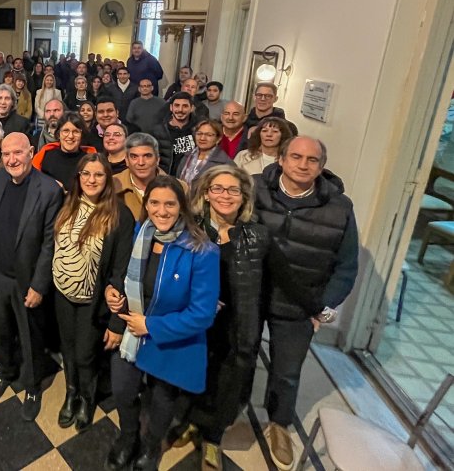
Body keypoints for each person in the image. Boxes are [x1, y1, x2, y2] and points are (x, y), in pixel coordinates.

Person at [254, 136, 358, 469]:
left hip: (300, 303)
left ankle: (279, 425)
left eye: (312, 160)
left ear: (322, 166)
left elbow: (347, 265)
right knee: (233, 360)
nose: (303, 164)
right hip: (251, 295)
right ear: (281, 159)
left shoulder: (340, 208)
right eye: (295, 157)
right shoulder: (254, 189)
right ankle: (219, 417)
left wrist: (323, 306)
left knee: (286, 372)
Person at [104, 175, 219, 470]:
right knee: (123, 390)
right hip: (133, 331)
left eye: (170, 204)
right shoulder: (142, 233)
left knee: (162, 400)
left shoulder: (202, 251)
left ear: (182, 207)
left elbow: (203, 313)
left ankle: (151, 445)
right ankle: (129, 437)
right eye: (154, 203)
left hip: (168, 338)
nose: (162, 210)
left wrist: (152, 327)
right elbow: (127, 276)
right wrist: (114, 294)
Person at [175, 165, 270, 470]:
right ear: (205, 193)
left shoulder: (256, 234)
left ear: (244, 197)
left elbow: (281, 277)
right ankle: (190, 422)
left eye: (233, 190)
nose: (225, 196)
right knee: (195, 374)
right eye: (218, 188)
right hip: (198, 321)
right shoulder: (190, 228)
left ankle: (213, 438)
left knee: (227, 382)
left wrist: (316, 309)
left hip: (236, 324)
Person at [53, 154, 134, 433]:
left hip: (93, 300)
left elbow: (120, 271)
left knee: (86, 354)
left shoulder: (121, 214)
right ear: (78, 176)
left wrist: (117, 320)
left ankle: (87, 400)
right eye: (86, 174)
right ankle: (71, 393)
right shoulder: (68, 205)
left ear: (108, 179)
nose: (91, 180)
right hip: (63, 295)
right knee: (68, 349)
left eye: (98, 175)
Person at [0, 133, 64, 421]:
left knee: (30, 335)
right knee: (2, 330)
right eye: (6, 154)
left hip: (28, 279)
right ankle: (4, 371)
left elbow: (49, 243)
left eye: (18, 153)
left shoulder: (48, 190)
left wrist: (38, 285)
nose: (12, 160)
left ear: (31, 152)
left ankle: (33, 386)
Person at [113, 133, 182, 221]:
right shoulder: (111, 186)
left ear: (157, 159)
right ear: (126, 160)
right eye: (134, 157)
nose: (141, 162)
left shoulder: (180, 188)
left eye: (147, 156)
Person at [32, 112, 97, 191]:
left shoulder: (89, 160)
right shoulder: (46, 157)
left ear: (82, 135)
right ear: (59, 134)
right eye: (66, 131)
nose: (70, 136)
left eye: (76, 131)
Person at [176, 119, 236, 187]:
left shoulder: (225, 163)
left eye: (209, 135)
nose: (202, 138)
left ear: (218, 138)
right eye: (199, 134)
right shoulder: (187, 156)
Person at [151, 92, 197, 177]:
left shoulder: (198, 130)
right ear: (171, 107)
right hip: (165, 179)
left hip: (190, 180)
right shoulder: (158, 131)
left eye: (185, 106)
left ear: (192, 108)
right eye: (177, 105)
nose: (180, 110)